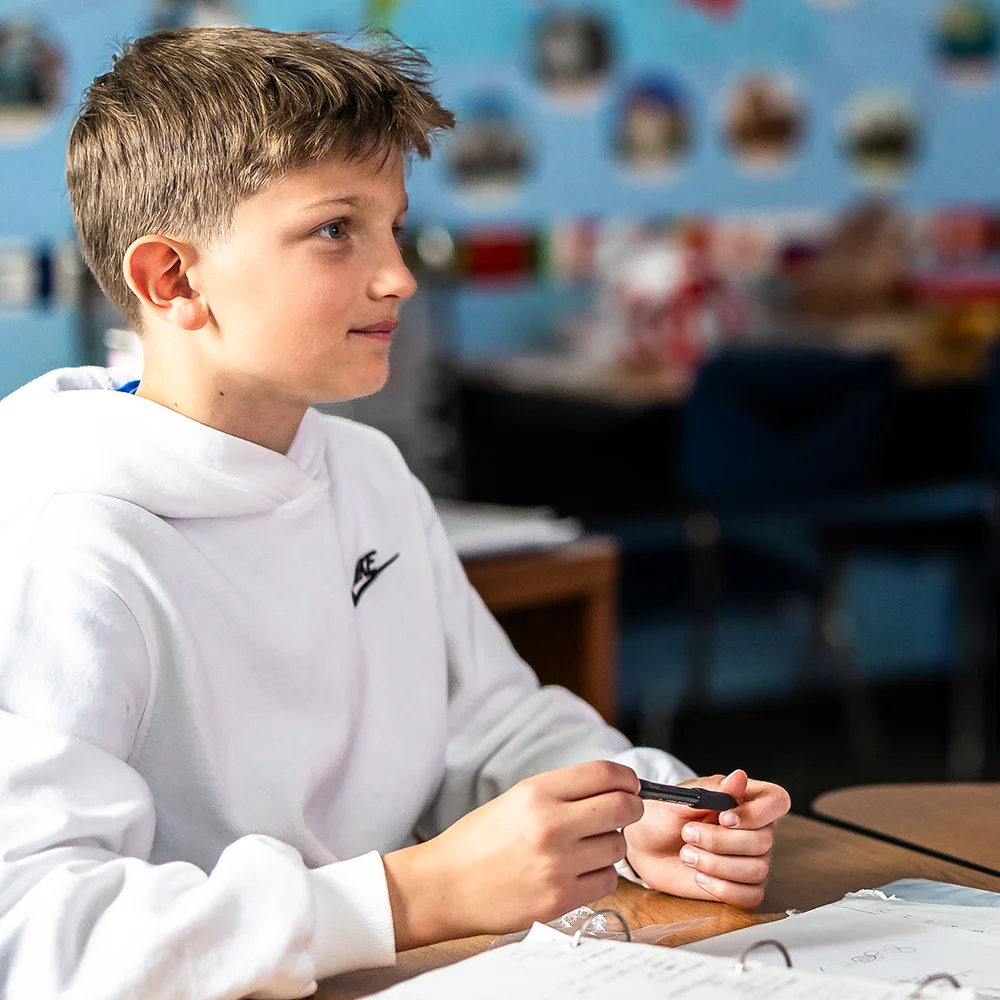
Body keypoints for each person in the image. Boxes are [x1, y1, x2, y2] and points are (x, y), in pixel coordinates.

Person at [0, 27, 790, 1000]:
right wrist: (411, 895)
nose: (398, 276)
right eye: (336, 229)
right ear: (174, 280)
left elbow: (495, 726)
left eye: (393, 226)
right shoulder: (60, 535)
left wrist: (632, 808)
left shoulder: (363, 468)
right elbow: (35, 939)